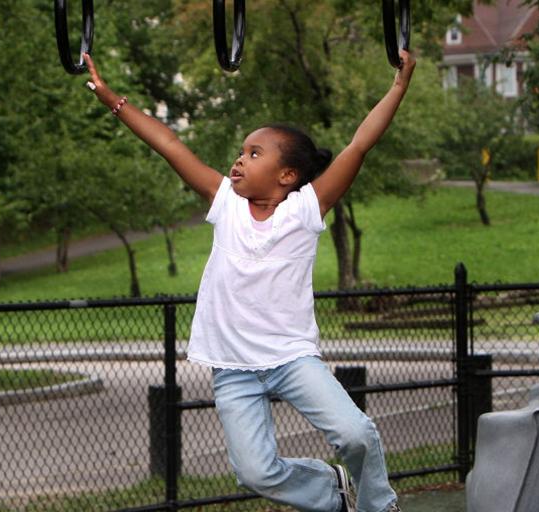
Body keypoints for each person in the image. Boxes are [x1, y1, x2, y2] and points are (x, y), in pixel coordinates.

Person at [81, 49, 415, 512]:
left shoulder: (306, 209)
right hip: (234, 366)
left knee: (356, 433)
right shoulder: (226, 203)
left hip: (290, 357)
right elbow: (170, 146)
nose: (239, 161)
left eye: (253, 154)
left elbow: (359, 144)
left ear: (286, 175)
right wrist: (112, 100)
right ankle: (328, 491)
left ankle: (379, 505)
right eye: (240, 152)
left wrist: (398, 87)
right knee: (255, 472)